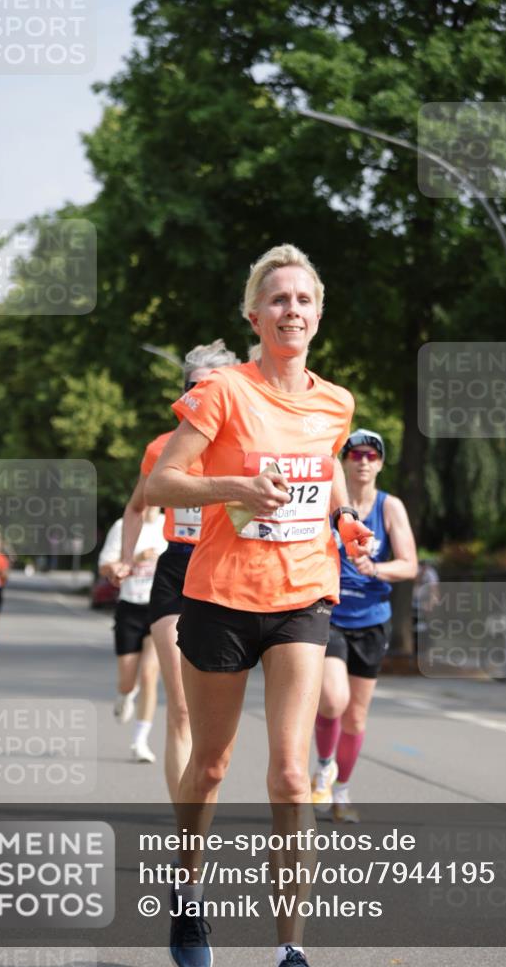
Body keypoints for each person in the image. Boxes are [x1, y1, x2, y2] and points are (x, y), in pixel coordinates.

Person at [145, 244, 372, 967]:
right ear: (254, 313)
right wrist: (233, 490)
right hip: (218, 595)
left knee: (290, 772)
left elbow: (326, 463)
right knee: (210, 764)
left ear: (318, 315)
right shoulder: (222, 394)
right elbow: (160, 485)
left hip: (303, 594)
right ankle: (186, 894)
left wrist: (342, 518)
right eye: (278, 299)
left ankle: (288, 952)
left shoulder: (335, 401)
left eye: (303, 300)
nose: (292, 311)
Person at [109, 340, 240, 797]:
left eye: (207, 388)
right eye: (190, 388)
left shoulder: (244, 448)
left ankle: (200, 796)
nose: (197, 397)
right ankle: (188, 836)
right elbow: (134, 507)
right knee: (182, 707)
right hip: (177, 568)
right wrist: (126, 556)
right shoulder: (161, 449)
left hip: (228, 570)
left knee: (218, 721)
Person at [310, 429, 418, 823]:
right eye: (355, 454)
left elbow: (410, 565)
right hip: (330, 615)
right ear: (345, 462)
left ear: (380, 463)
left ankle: (341, 793)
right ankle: (323, 767)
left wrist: (377, 567)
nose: (364, 461)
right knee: (332, 700)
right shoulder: (327, 504)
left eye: (372, 455)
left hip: (373, 621)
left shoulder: (390, 508)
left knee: (355, 717)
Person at [98, 506, 167, 762]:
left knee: (150, 673)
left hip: (161, 607)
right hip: (130, 609)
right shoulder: (124, 525)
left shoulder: (169, 524)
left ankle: (140, 742)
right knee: (128, 681)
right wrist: (135, 559)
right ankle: (125, 695)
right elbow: (104, 567)